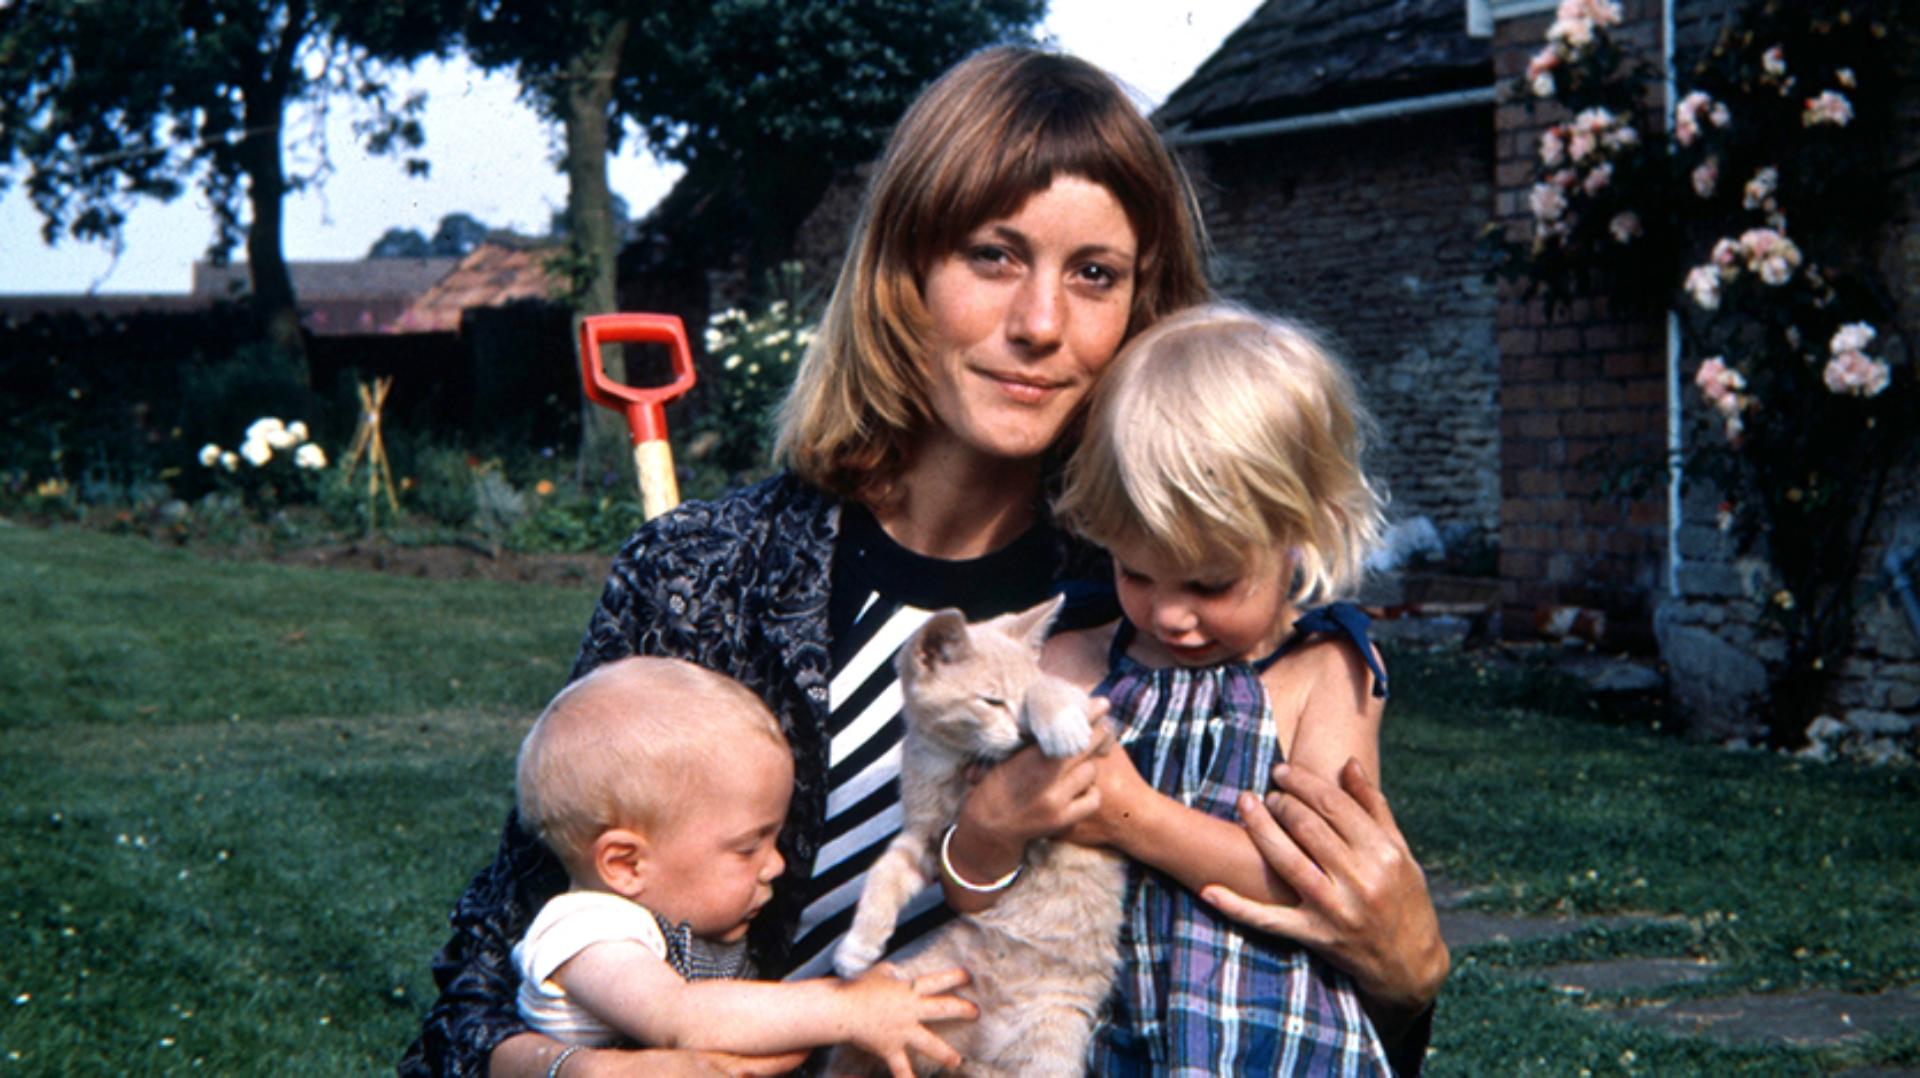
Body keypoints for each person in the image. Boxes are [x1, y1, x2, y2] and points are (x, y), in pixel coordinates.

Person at [402, 45, 1443, 1078]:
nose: (1041, 324)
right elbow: (483, 990)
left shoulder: (1160, 594)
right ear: (903, 273)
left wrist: (1408, 977)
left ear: (1145, 303)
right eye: (993, 256)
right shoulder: (710, 573)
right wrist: (574, 1071)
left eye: (1095, 274)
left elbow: (1304, 993)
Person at [1038, 305, 1401, 1073]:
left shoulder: (1322, 672)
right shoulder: (1073, 661)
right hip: (1101, 1037)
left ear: (1301, 531)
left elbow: (1320, 879)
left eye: (1210, 584)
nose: (1170, 615)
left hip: (1270, 1044)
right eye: (1136, 572)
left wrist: (1132, 816)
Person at [508, 656, 974, 1076]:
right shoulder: (584, 932)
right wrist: (848, 1008)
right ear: (625, 864)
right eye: (748, 848)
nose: (775, 865)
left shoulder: (687, 924)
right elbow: (684, 1017)